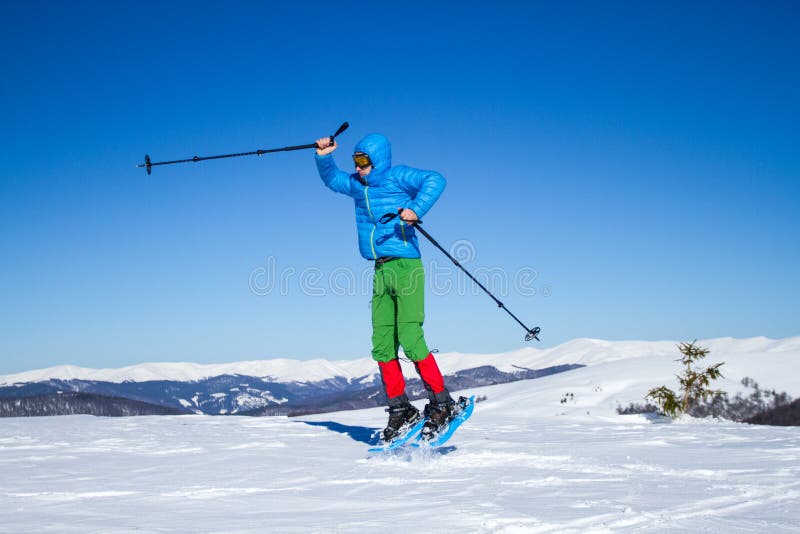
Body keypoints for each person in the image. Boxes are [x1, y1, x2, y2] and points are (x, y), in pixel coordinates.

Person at [315, 132, 456, 441]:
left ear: (378, 161)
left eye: (364, 161)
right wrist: (324, 156)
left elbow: (436, 179)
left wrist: (416, 209)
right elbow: (331, 180)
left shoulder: (397, 176)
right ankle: (400, 408)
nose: (359, 167)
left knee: (410, 336)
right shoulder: (356, 185)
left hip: (407, 267)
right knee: (381, 343)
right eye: (355, 161)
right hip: (380, 270)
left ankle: (442, 402)